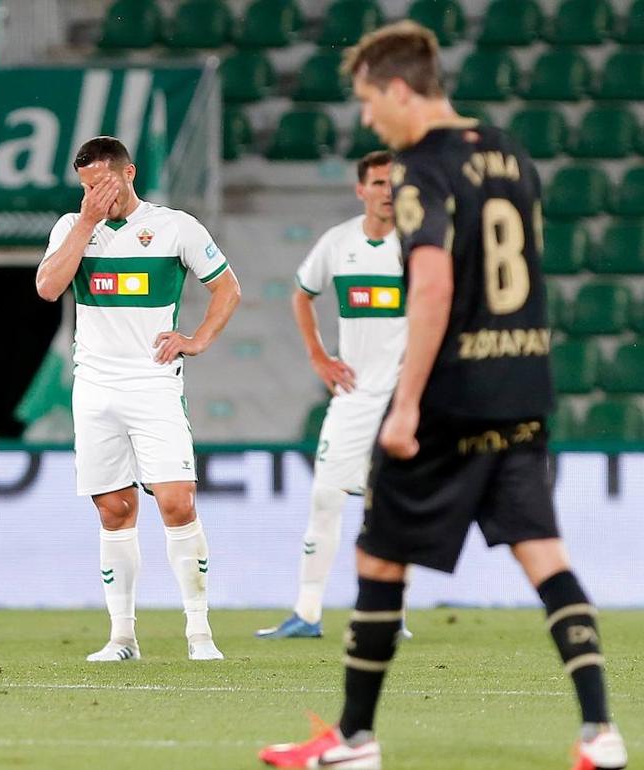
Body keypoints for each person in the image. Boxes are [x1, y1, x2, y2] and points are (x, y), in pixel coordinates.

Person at [259, 22, 626, 769]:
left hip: (452, 394)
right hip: (523, 384)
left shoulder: (422, 169)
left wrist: (406, 404)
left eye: (367, 100)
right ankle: (603, 733)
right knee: (545, 554)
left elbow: (432, 286)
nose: (367, 120)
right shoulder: (511, 153)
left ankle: (355, 739)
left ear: (399, 88)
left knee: (380, 558)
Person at [36, 136, 242, 662]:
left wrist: (195, 339)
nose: (93, 194)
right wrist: (85, 224)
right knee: (114, 509)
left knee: (176, 501)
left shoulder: (175, 226)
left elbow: (228, 289)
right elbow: (47, 287)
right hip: (96, 386)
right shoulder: (72, 227)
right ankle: (122, 637)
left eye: (101, 183)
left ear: (128, 173)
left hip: (152, 383)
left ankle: (199, 634)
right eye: (85, 186)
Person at [256, 151, 409, 640]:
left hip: (404, 397)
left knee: (391, 506)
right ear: (360, 189)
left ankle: (390, 615)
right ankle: (307, 612)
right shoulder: (339, 243)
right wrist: (319, 357)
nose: (388, 191)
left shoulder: (420, 246)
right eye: (379, 182)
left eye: (394, 183)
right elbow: (302, 293)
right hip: (355, 393)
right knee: (326, 497)